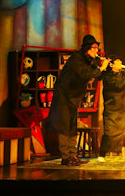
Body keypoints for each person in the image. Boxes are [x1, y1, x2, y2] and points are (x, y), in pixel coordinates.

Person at [47, 34, 109, 166]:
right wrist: (101, 68)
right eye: (93, 48)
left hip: (73, 98)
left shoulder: (90, 60)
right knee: (65, 126)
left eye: (97, 48)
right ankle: (66, 157)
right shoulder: (77, 59)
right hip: (64, 96)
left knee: (72, 126)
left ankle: (73, 155)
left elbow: (97, 76)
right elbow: (85, 75)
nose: (96, 51)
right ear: (87, 48)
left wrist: (107, 67)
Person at [97, 55, 125, 163]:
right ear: (112, 65)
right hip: (112, 109)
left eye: (121, 62)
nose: (120, 64)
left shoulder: (124, 74)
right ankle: (102, 155)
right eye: (118, 62)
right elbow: (118, 86)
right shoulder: (107, 77)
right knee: (109, 134)